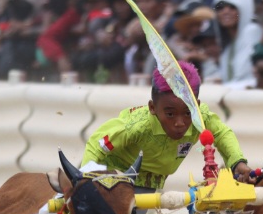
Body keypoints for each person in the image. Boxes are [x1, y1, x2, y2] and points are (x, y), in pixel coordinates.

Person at [82, 62, 252, 191]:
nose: (180, 123)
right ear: (152, 108)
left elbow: (222, 133)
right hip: (114, 178)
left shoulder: (201, 117)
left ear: (197, 105)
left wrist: (238, 163)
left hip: (149, 185)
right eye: (170, 114)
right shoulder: (137, 126)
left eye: (187, 113)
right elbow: (98, 144)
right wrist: (85, 180)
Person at [211, 0, 262, 89]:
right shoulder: (228, 43)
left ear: (244, 9)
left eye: (232, 7)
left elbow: (246, 78)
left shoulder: (251, 31)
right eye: (220, 8)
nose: (225, 12)